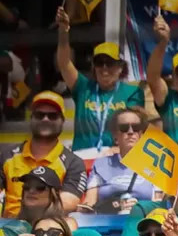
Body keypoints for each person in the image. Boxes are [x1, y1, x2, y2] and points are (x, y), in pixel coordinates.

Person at [0, 91, 86, 217]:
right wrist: (0, 223)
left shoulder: (73, 163)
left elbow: (67, 203)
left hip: (49, 229)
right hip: (9, 228)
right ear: (31, 118)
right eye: (39, 115)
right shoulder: (7, 157)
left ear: (62, 121)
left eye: (52, 116)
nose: (45, 119)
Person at [55, 9, 144, 153]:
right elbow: (64, 63)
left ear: (121, 67)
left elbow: (134, 128)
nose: (104, 68)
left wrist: (116, 150)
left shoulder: (132, 92)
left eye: (109, 63)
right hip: (83, 157)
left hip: (115, 156)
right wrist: (63, 32)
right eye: (99, 62)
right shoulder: (83, 87)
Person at [84, 108, 160, 213]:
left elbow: (159, 204)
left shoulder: (155, 165)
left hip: (143, 221)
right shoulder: (101, 164)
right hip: (107, 220)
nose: (130, 132)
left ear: (141, 134)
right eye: (124, 128)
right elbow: (90, 202)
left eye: (136, 127)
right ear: (115, 136)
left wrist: (140, 206)